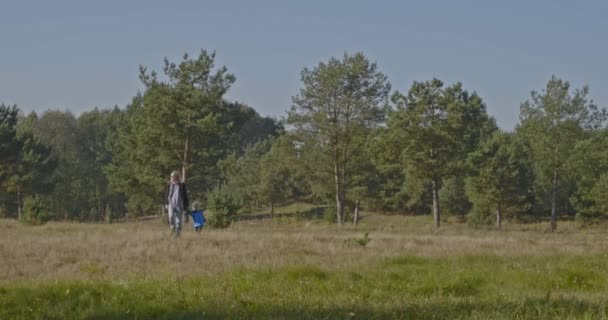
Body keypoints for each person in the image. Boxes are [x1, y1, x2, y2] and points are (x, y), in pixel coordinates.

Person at [165, 171, 189, 237]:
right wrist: (166, 203)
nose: (172, 177)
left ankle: (178, 234)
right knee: (171, 217)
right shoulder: (169, 184)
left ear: (177, 177)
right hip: (171, 204)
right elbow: (167, 194)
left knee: (178, 221)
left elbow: (185, 195)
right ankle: (172, 229)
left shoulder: (182, 185)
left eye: (173, 176)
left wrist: (186, 205)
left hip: (179, 204)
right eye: (171, 176)